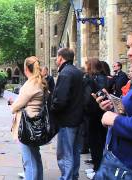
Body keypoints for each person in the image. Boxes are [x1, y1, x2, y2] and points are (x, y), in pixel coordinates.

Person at [93, 27, 132, 179]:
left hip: (130, 167)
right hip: (118, 159)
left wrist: (114, 119)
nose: (129, 53)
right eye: (128, 47)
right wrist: (112, 107)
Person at [9, 56, 47, 180]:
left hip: (27, 125)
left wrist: (13, 105)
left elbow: (17, 105)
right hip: (35, 122)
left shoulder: (31, 83)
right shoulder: (39, 81)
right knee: (35, 156)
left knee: (29, 160)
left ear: (26, 68)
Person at [50, 48, 84, 180]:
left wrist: (52, 108)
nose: (56, 60)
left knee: (65, 153)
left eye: (57, 57)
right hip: (77, 118)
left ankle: (66, 177)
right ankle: (73, 176)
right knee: (74, 151)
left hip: (67, 120)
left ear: (61, 57)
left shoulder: (65, 73)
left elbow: (61, 100)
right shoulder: (77, 72)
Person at [83, 58, 108, 179]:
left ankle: (98, 168)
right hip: (93, 114)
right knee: (94, 142)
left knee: (97, 143)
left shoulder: (99, 78)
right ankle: (96, 166)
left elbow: (100, 93)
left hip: (97, 115)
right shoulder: (95, 78)